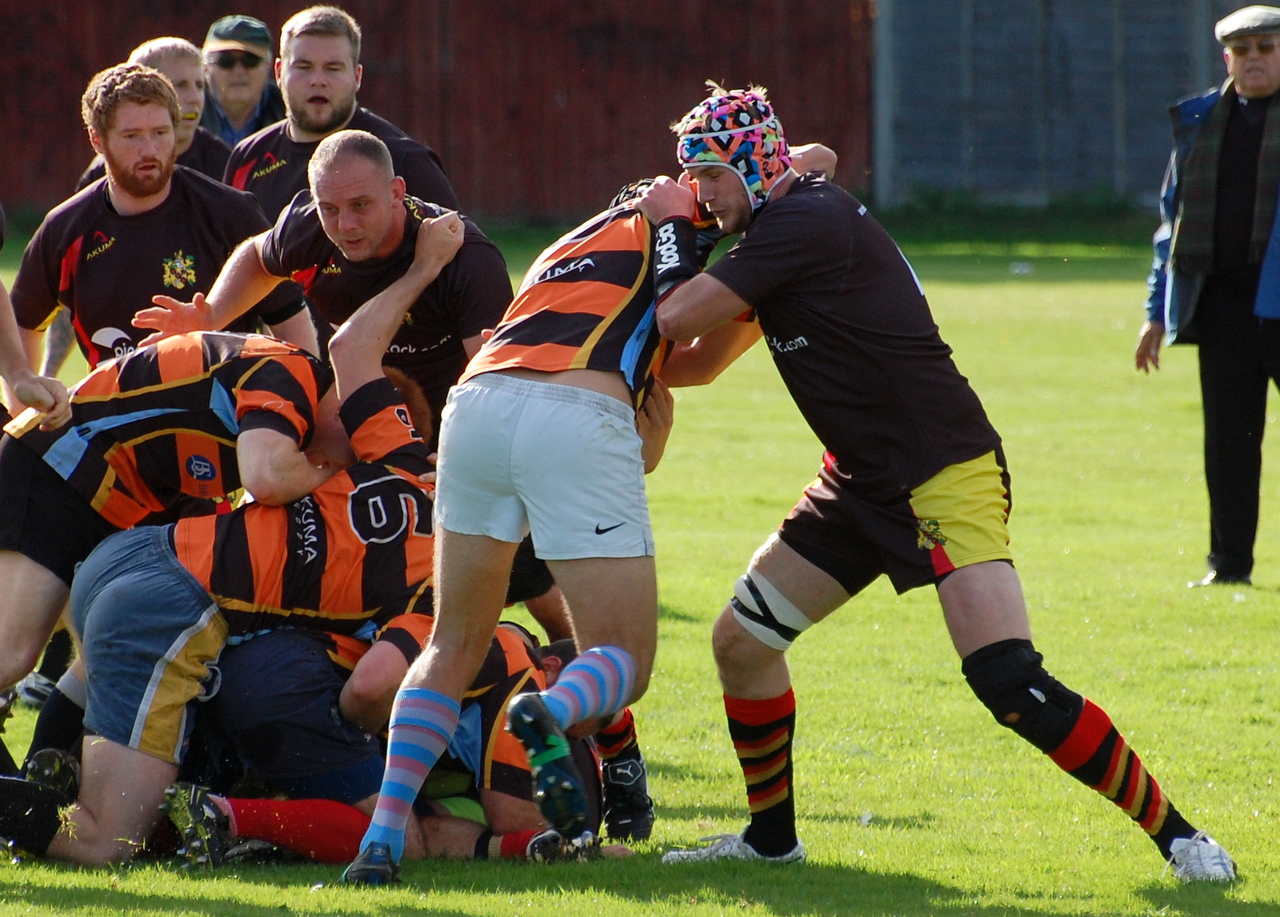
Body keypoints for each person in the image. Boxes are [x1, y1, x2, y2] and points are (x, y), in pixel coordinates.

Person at [634, 83, 1236, 883]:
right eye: (691, 182)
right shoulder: (788, 211)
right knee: (741, 644)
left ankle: (1184, 838)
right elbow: (698, 362)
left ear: (751, 166)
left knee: (1007, 680)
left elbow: (679, 319)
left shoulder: (799, 223)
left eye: (710, 176)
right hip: (858, 481)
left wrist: (671, 228)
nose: (701, 195)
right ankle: (772, 841)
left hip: (941, 473)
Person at [0, 209, 464, 866]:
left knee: (72, 671)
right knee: (27, 683)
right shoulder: (293, 383)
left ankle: (48, 772)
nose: (340, 465)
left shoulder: (389, 456)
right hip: (69, 471)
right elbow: (269, 478)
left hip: (133, 536)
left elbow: (349, 351)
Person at [339, 167, 757, 885]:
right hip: (574, 412)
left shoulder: (566, 245)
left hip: (475, 407)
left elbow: (642, 345)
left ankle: (380, 841)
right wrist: (761, 299)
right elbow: (698, 346)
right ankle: (549, 711)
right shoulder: (675, 230)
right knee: (624, 661)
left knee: (451, 643)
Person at [160, 622, 616, 868]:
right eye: (574, 717)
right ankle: (225, 816)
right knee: (399, 838)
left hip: (246, 666)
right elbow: (516, 819)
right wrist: (580, 845)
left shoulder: (495, 637)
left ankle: (202, 818)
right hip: (300, 691)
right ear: (551, 668)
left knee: (142, 830)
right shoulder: (525, 678)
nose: (565, 731)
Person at [9, 64, 315, 372]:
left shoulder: (229, 213)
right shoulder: (65, 230)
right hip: (113, 402)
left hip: (223, 400)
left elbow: (291, 322)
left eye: (160, 133)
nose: (150, 149)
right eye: (132, 136)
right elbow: (20, 324)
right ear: (97, 140)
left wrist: (301, 392)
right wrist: (27, 393)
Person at [1136, 4, 1280, 588]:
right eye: (1242, 51)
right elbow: (1171, 225)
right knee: (1228, 444)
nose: (1253, 60)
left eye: (1266, 48)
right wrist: (1154, 313)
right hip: (1222, 305)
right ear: (1227, 58)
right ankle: (1228, 566)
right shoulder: (1199, 123)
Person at [223, 6, 457, 222]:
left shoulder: (405, 160)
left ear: (357, 77)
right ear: (279, 73)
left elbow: (459, 245)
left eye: (333, 68)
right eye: (303, 67)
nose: (318, 80)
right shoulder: (248, 157)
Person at [76, 39, 232, 191]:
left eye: (200, 85)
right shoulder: (103, 172)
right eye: (180, 85)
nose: (195, 98)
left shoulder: (224, 163)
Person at [200, 15, 286, 148]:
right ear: (205, 67)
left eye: (250, 60)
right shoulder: (185, 113)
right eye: (225, 61)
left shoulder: (289, 112)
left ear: (269, 66)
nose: (238, 71)